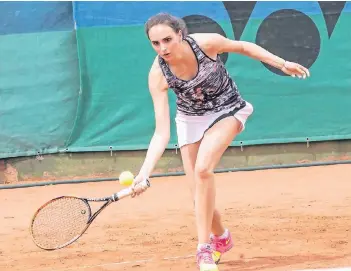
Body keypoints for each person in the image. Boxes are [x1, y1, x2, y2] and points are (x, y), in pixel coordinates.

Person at [131, 12, 310, 271]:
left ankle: (204, 249)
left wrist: (281, 63)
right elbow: (161, 132)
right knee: (198, 194)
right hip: (190, 118)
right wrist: (144, 173)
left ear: (180, 34)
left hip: (228, 108)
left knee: (204, 169)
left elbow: (243, 46)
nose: (163, 48)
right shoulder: (158, 74)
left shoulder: (204, 43)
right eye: (156, 44)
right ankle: (221, 238)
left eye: (167, 40)